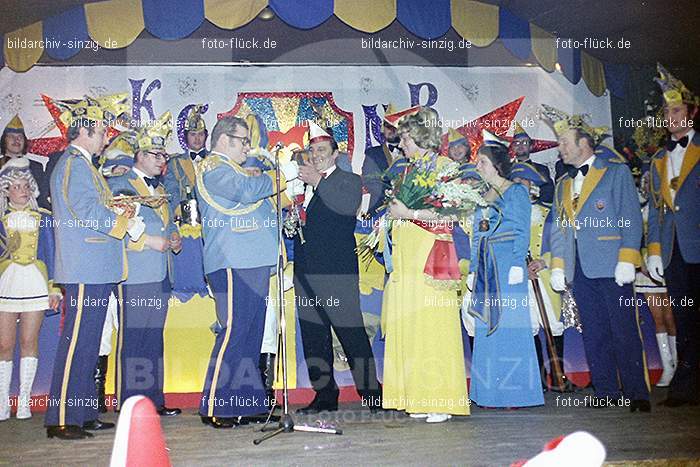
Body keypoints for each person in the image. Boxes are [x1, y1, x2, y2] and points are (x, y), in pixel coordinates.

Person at [45, 96, 145, 439]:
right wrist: (122, 224)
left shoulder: (84, 165)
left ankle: (82, 411)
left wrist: (120, 212)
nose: (107, 137)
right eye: (103, 131)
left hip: (95, 266)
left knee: (88, 344)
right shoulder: (73, 164)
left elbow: (93, 206)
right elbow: (87, 211)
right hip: (85, 265)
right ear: (86, 130)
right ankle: (61, 417)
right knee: (77, 343)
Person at [542, 104, 650, 412]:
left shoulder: (614, 172)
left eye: (564, 142)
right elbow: (560, 229)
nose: (559, 147)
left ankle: (636, 392)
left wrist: (628, 257)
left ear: (584, 144)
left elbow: (630, 216)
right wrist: (559, 266)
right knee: (595, 331)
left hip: (612, 265)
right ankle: (605, 389)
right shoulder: (563, 183)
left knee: (624, 329)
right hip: (580, 268)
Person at [196, 116, 298, 428]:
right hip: (232, 260)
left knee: (250, 336)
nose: (247, 147)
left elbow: (257, 198)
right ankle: (215, 404)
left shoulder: (233, 168)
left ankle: (245, 402)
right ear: (225, 139)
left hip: (251, 260)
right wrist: (279, 177)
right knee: (233, 333)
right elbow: (245, 190)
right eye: (242, 141)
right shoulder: (214, 166)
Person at [383, 107, 469, 423]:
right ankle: (417, 396)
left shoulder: (446, 168)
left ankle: (441, 399)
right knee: (411, 323)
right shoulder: (405, 170)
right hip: (407, 255)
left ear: (418, 135)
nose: (400, 143)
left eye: (404, 136)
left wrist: (410, 215)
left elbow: (454, 214)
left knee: (433, 324)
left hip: (432, 255)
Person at [293, 122, 382, 414]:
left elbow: (344, 207)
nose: (316, 155)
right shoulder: (303, 187)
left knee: (351, 332)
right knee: (313, 336)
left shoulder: (349, 181)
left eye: (321, 150)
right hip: (306, 270)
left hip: (336, 272)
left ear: (335, 154)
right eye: (312, 150)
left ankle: (372, 395)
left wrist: (318, 181)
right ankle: (325, 396)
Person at [108, 114, 182, 416]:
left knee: (153, 341)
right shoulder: (121, 184)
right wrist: (150, 242)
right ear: (140, 154)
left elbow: (164, 224)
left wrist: (173, 236)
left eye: (164, 154)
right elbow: (114, 228)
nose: (162, 159)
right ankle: (129, 404)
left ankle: (153, 401)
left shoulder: (160, 188)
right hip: (136, 273)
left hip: (161, 272)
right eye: (157, 154)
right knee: (134, 342)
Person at [467, 132, 544, 408]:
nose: (478, 168)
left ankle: (515, 393)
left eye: (482, 163)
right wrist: (474, 269)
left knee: (510, 328)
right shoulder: (481, 196)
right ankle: (489, 394)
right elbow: (477, 235)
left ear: (497, 164)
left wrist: (516, 264)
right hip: (486, 267)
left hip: (507, 266)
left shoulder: (516, 191)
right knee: (487, 327)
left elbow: (522, 230)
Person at [646, 64, 699, 407]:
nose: (670, 116)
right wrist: (653, 251)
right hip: (674, 252)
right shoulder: (658, 160)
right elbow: (655, 209)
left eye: (676, 109)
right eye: (666, 111)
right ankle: (687, 384)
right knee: (683, 317)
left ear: (692, 113)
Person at [0, 158, 61, 421]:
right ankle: (3, 402)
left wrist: (54, 288)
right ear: (6, 190)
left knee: (29, 342)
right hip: (6, 282)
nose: (23, 191)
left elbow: (50, 253)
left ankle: (24, 400)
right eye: (17, 186)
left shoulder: (44, 218)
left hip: (36, 282)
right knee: (4, 345)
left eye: (26, 186)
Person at [510, 161, 573, 393]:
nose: (519, 186)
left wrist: (543, 261)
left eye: (523, 182)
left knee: (553, 326)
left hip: (545, 277)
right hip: (522, 280)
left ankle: (558, 375)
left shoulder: (548, 213)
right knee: (529, 327)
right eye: (515, 182)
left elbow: (561, 243)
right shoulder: (508, 217)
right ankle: (537, 378)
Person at [633, 165, 677, 387]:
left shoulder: (666, 205)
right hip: (646, 269)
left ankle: (680, 366)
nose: (648, 184)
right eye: (646, 180)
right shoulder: (637, 208)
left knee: (672, 317)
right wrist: (640, 261)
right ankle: (667, 367)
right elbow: (635, 237)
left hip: (666, 264)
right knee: (657, 318)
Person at [163, 105, 208, 296]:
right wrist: (180, 210)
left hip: (211, 220)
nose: (197, 139)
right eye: (192, 134)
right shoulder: (175, 162)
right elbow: (170, 191)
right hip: (186, 222)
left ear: (206, 136)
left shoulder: (216, 161)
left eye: (200, 134)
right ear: (186, 137)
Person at [361, 105, 418, 218]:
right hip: (378, 210)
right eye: (388, 126)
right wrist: (394, 194)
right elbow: (370, 181)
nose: (391, 130)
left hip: (409, 212)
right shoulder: (372, 153)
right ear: (383, 129)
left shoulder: (413, 153)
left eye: (395, 127)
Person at [0, 115, 50, 209]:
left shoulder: (36, 167)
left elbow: (41, 198)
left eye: (20, 137)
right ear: (4, 140)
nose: (16, 140)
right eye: (11, 136)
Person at [510, 123, 554, 205]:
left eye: (525, 142)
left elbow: (549, 195)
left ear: (531, 147)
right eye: (517, 143)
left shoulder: (541, 169)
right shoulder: (505, 169)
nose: (520, 145)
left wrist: (535, 199)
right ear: (513, 147)